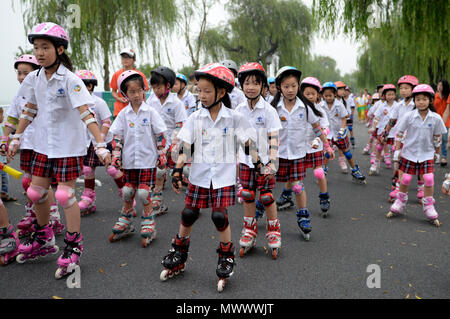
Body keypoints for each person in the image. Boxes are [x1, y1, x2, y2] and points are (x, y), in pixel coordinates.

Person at [8, 22, 111, 278]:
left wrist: (99, 143)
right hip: (44, 145)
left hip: (66, 146)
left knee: (64, 196)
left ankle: (74, 244)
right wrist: (16, 136)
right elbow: (29, 109)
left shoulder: (71, 79)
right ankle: (44, 237)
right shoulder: (34, 78)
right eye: (36, 48)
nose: (40, 53)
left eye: (45, 47)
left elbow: (85, 113)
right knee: (35, 191)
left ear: (60, 49)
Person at [160, 63, 255, 292]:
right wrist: (176, 170)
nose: (201, 95)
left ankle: (226, 257)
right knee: (188, 213)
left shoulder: (233, 118)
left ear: (221, 92)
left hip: (223, 176)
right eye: (199, 90)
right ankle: (179, 252)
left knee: (219, 217)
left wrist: (260, 163)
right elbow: (186, 148)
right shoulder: (195, 118)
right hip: (199, 174)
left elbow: (248, 144)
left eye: (207, 91)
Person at [1, 54, 64, 238]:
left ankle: (53, 217)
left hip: (42, 145)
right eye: (19, 73)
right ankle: (33, 213)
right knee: (30, 183)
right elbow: (12, 118)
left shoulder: (43, 92)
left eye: (25, 73)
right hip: (27, 144)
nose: (21, 77)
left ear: (35, 73)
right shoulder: (19, 95)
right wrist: (5, 139)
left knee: (38, 183)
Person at [271, 67, 334, 241]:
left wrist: (326, 145)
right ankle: (261, 210)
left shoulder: (304, 107)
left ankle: (303, 216)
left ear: (297, 86)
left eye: (293, 85)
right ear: (279, 87)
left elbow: (317, 127)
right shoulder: (273, 108)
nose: (290, 90)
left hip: (298, 154)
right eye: (286, 86)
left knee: (298, 186)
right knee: (267, 185)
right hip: (278, 154)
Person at [109, 70, 168, 247]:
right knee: (128, 191)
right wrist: (116, 156)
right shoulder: (123, 114)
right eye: (132, 92)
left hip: (147, 160)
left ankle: (148, 220)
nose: (136, 95)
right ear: (125, 94)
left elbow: (160, 135)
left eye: (139, 91)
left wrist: (162, 154)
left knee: (143, 192)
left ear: (144, 90)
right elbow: (117, 137)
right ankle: (126, 217)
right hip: (129, 161)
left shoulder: (150, 112)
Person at [234, 62, 282, 259]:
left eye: (255, 83)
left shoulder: (268, 111)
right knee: (247, 194)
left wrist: (272, 161)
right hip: (246, 161)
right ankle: (250, 229)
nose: (251, 87)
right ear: (241, 86)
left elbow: (274, 138)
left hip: (266, 162)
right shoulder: (238, 110)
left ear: (263, 86)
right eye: (247, 83)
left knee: (266, 196)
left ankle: (273, 231)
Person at [387, 84, 447, 227]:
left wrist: (437, 154)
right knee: (406, 178)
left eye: (424, 99)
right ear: (414, 101)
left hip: (427, 153)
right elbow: (399, 133)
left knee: (428, 178)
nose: (421, 102)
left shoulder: (436, 118)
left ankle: (429, 205)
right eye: (418, 99)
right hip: (409, 153)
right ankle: (400, 201)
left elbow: (438, 137)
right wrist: (397, 150)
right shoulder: (409, 116)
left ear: (430, 100)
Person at [75, 70, 118, 216]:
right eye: (79, 85)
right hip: (86, 143)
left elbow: (107, 121)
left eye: (87, 85)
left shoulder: (98, 102)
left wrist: (101, 139)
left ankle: (127, 196)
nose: (85, 88)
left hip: (102, 141)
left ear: (91, 86)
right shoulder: (75, 103)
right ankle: (88, 199)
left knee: (112, 170)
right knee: (87, 170)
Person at [147, 66, 187, 216]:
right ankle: (157, 199)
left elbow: (180, 125)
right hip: (156, 142)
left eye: (159, 87)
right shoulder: (151, 100)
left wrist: (174, 145)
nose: (156, 90)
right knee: (158, 170)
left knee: (186, 171)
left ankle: (194, 197)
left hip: (172, 142)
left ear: (168, 86)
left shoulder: (176, 103)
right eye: (154, 87)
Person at [381, 75, 419, 202]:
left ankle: (422, 191)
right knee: (397, 163)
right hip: (400, 138)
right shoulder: (399, 105)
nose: (403, 91)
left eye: (406, 88)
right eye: (401, 88)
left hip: (415, 139)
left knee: (419, 165)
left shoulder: (417, 104)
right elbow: (392, 121)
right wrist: (385, 134)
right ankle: (396, 188)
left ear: (413, 89)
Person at [321, 82, 366, 184]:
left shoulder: (339, 105)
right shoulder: (321, 106)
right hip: (328, 134)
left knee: (347, 153)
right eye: (326, 96)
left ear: (335, 94)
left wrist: (342, 129)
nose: (328, 98)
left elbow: (344, 118)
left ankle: (355, 170)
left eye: (330, 95)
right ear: (323, 95)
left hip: (340, 133)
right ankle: (323, 170)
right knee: (328, 153)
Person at [301, 77, 332, 217]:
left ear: (318, 95)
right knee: (294, 176)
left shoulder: (320, 110)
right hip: (299, 147)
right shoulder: (298, 109)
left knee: (319, 173)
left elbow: (325, 129)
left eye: (313, 94)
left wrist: (318, 140)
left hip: (315, 146)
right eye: (307, 93)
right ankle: (286, 193)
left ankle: (324, 197)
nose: (310, 96)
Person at [110, 48, 149, 117]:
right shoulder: (116, 74)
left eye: (128, 57)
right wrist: (119, 99)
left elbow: (143, 93)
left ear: (134, 59)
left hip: (136, 109)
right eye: (123, 57)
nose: (125, 59)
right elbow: (113, 91)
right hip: (119, 110)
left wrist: (144, 107)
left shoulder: (140, 75)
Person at [369, 84, 398, 175]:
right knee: (379, 147)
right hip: (383, 131)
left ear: (395, 95)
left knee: (396, 150)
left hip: (395, 132)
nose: (390, 96)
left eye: (392, 94)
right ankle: (375, 165)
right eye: (388, 94)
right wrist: (374, 127)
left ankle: (397, 171)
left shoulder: (398, 105)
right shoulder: (382, 106)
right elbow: (376, 117)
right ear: (384, 95)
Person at [434, 79, 450, 166]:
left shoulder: (448, 96)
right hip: (435, 120)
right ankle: (435, 156)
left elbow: (447, 111)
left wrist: (442, 123)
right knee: (434, 138)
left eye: (442, 85)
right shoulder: (434, 96)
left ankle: (443, 157)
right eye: (438, 85)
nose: (439, 87)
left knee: (444, 138)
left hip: (446, 120)